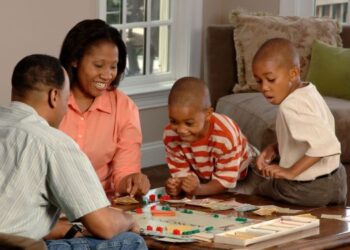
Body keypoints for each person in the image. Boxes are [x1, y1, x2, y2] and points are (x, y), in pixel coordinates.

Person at [0, 54, 147, 249]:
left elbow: (14, 217)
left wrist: (67, 230)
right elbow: (104, 226)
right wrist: (128, 219)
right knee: (131, 242)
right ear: (54, 96)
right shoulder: (52, 142)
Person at [59, 19, 150, 199]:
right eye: (98, 65)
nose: (107, 75)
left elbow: (124, 172)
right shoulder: (52, 99)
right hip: (52, 207)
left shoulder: (125, 107)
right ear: (75, 60)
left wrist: (132, 181)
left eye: (113, 66)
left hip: (99, 205)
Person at [251, 37, 347, 206]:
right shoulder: (309, 91)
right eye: (259, 81)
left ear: (293, 73)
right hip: (337, 180)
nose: (264, 88)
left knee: (259, 189)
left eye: (271, 79)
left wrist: (290, 172)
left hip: (310, 188)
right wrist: (274, 148)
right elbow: (314, 135)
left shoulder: (290, 105)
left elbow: (327, 145)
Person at [163, 77, 256, 197]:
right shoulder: (170, 135)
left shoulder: (225, 135)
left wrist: (199, 189)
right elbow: (182, 175)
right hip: (206, 173)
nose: (180, 130)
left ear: (208, 114)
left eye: (189, 123)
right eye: (174, 121)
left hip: (243, 172)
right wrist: (178, 185)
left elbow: (225, 182)